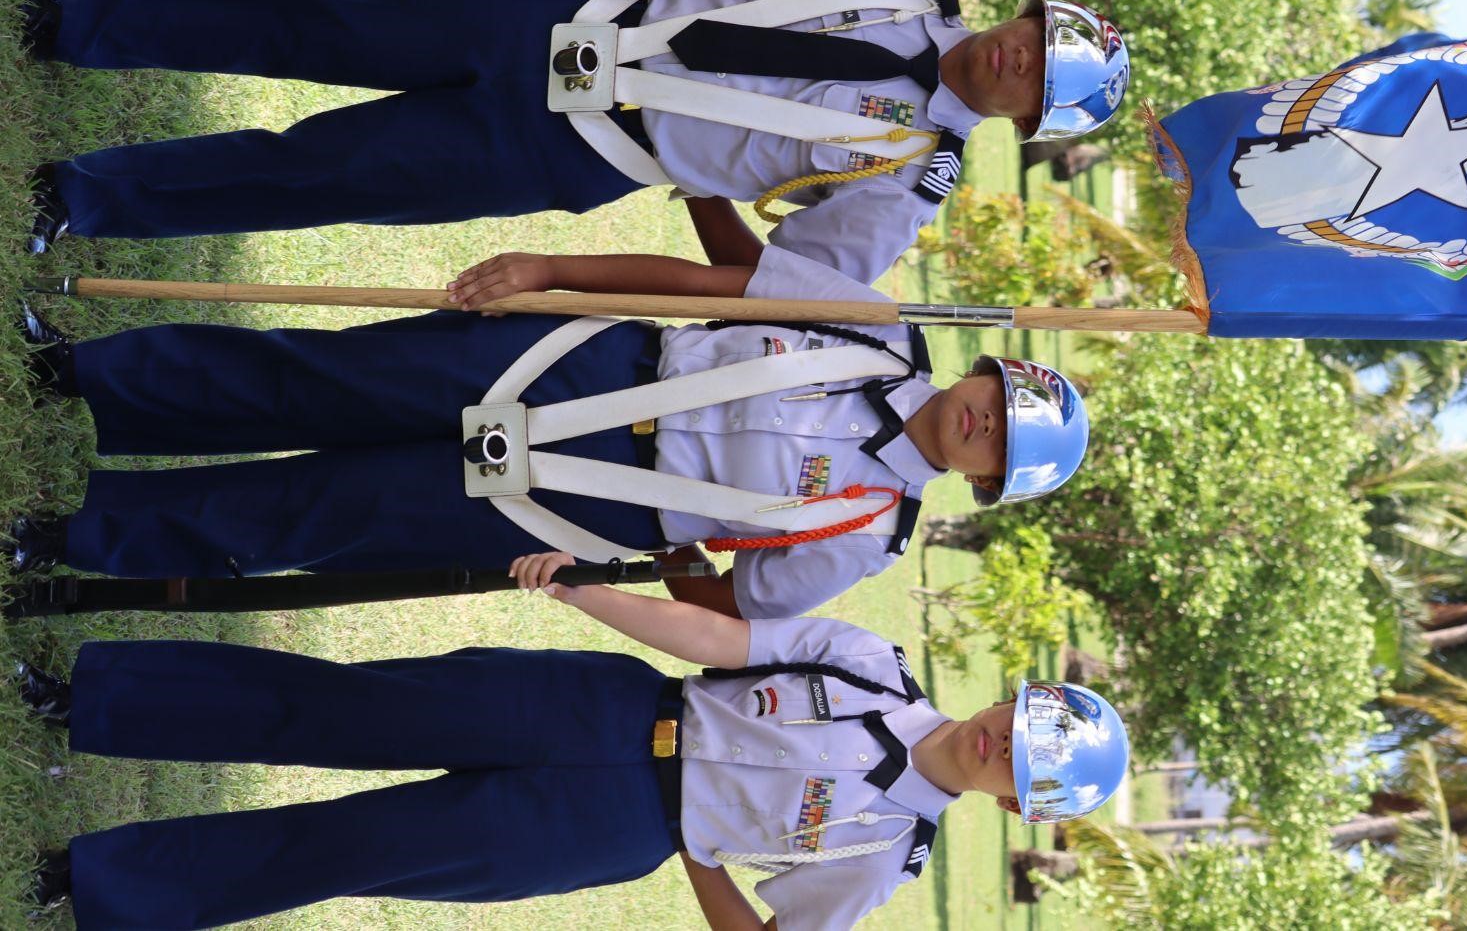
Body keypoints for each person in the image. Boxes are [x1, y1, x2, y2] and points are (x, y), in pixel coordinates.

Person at [22, 0, 1131, 287]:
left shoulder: (906, 185)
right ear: (1020, 14)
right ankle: (77, 18)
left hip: (581, 153)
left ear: (1023, 124)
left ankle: (79, 199)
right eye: (1031, 38)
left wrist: (700, 185)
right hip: (570, 11)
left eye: (1031, 84)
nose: (1011, 60)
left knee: (317, 175)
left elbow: (767, 287)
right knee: (306, 14)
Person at [11, 554, 1131, 929]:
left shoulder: (893, 855)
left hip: (606, 827)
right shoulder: (870, 667)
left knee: (349, 851)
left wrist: (700, 857)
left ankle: (95, 883)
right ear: (1013, 698)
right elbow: (715, 633)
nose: (999, 742)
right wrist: (586, 598)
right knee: (330, 707)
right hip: (598, 705)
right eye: (1020, 722)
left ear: (1023, 806)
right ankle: (90, 697)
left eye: (1024, 765)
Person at [5, 243, 1090, 620]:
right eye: (996, 397)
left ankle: (71, 537)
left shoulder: (866, 536)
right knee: (315, 375)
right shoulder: (876, 326)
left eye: (996, 442)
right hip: (587, 361)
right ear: (985, 371)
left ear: (982, 481)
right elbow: (705, 289)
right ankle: (84, 376)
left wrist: (624, 565)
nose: (978, 419)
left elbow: (733, 604)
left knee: (316, 515)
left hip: (588, 504)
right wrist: (554, 276)